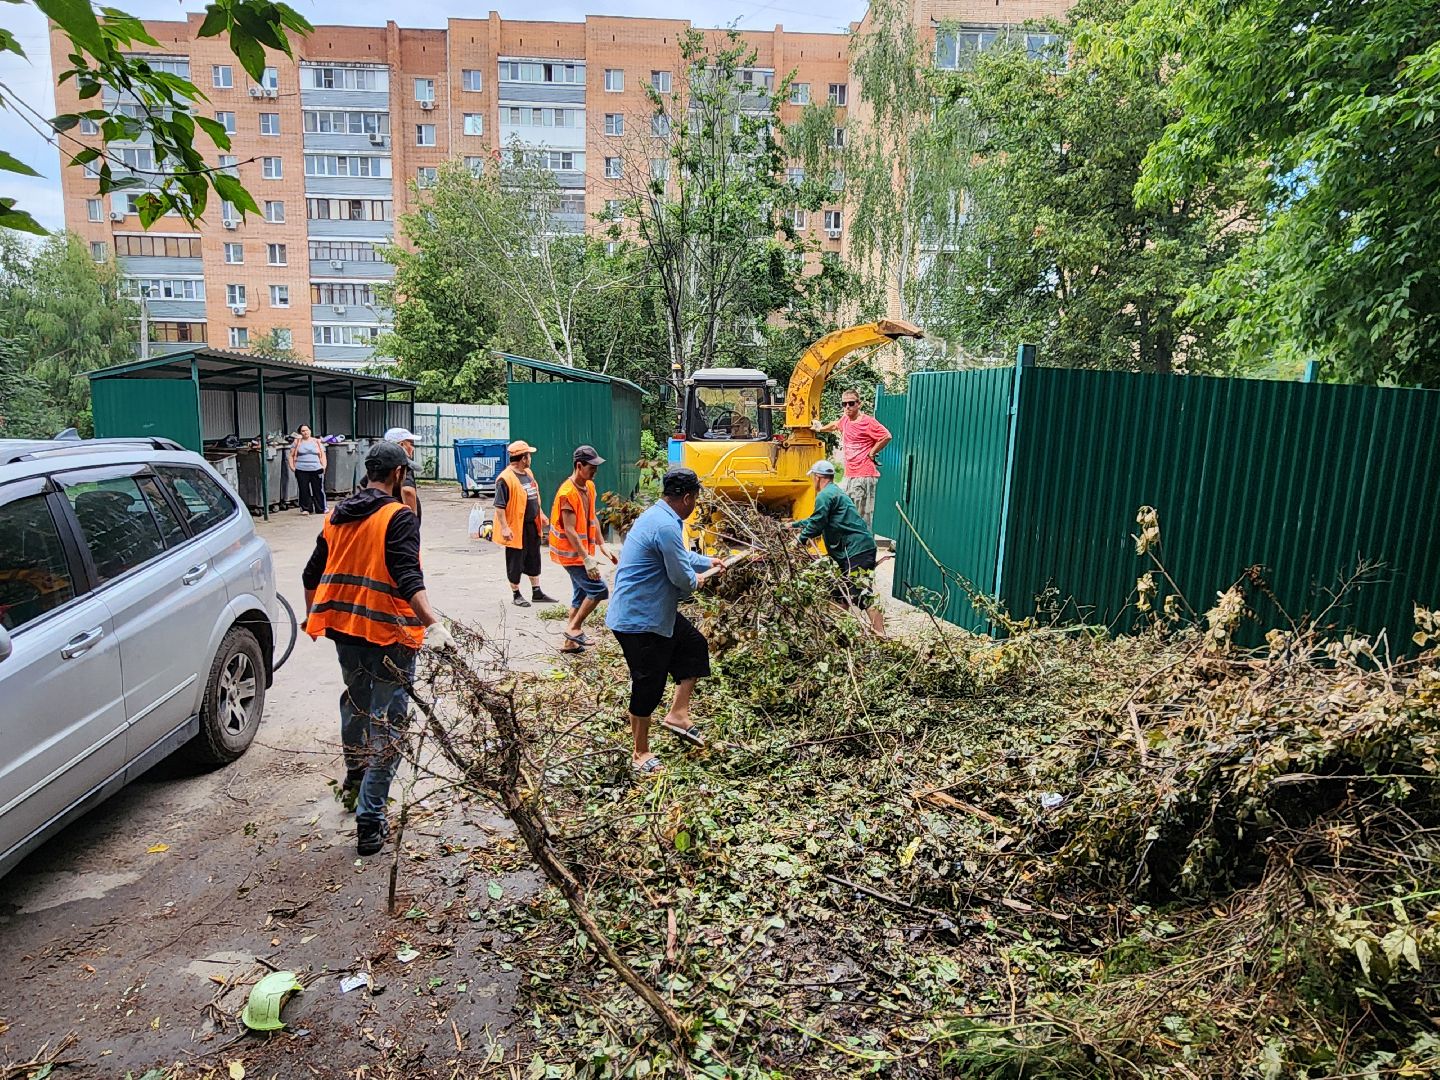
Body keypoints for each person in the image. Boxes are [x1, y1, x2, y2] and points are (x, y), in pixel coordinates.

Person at [301, 441, 453, 856]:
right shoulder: (397, 516)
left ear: (367, 473)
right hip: (390, 634)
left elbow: (310, 573)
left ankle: (355, 774)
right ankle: (370, 818)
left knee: (357, 701)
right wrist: (433, 624)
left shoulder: (336, 515)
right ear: (399, 474)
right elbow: (407, 577)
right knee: (390, 721)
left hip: (345, 630)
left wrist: (312, 614)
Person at [606, 467, 724, 775]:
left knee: (694, 646)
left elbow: (679, 556)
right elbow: (682, 579)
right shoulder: (666, 526)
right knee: (649, 683)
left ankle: (678, 714)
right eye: (695, 499)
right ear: (686, 498)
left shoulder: (659, 517)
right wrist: (699, 578)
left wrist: (707, 561)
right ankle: (640, 751)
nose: (695, 505)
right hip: (639, 620)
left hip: (656, 613)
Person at [792, 459, 885, 637]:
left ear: (818, 477)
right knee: (838, 592)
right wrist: (794, 526)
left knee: (861, 593)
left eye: (813, 477)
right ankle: (839, 635)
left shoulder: (825, 495)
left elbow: (817, 524)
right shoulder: (834, 493)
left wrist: (799, 541)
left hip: (858, 550)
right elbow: (817, 519)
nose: (812, 481)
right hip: (851, 552)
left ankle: (881, 636)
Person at [550, 445, 618, 653]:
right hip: (571, 555)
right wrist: (587, 559)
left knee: (580, 595)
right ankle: (574, 628)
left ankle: (570, 643)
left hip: (583, 553)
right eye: (591, 468)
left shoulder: (589, 487)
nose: (595, 472)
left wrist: (601, 544)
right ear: (579, 466)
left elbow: (592, 517)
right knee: (599, 590)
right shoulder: (567, 493)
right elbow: (569, 529)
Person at [493, 440, 558, 607]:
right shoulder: (505, 479)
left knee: (533, 557)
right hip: (516, 527)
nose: (530, 458)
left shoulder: (528, 473)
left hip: (531, 524)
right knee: (515, 560)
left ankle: (537, 592)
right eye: (529, 455)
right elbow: (499, 506)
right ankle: (516, 594)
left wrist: (541, 513)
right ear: (523, 458)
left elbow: (534, 496)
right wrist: (505, 528)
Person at [815, 389, 891, 528]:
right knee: (845, 514)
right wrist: (820, 429)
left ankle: (863, 547)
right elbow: (834, 425)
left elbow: (886, 436)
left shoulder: (868, 422)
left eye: (851, 403)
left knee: (860, 519)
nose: (847, 407)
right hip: (850, 475)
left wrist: (872, 453)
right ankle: (851, 546)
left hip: (864, 474)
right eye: (844, 404)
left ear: (859, 404)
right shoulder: (845, 420)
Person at [382, 426, 423, 526]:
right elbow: (407, 490)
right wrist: (411, 521)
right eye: (411, 444)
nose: (412, 448)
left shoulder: (382, 463)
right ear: (401, 445)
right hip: (400, 522)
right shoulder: (403, 466)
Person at [289, 424, 327, 515]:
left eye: (307, 430)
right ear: (300, 433)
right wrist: (292, 467)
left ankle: (321, 508)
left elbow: (323, 455)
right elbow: (291, 455)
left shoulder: (317, 442)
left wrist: (323, 466)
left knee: (318, 489)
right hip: (301, 469)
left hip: (316, 468)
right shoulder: (297, 442)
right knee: (304, 489)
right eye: (303, 431)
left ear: (310, 431)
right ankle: (306, 508)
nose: (305, 432)